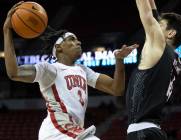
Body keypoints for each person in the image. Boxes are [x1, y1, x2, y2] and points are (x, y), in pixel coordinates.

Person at [3, 2, 139, 140]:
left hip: (71, 131)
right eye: (72, 39)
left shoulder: (83, 70)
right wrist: (7, 31)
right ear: (59, 47)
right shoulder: (50, 69)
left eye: (78, 40)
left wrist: (119, 60)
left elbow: (117, 89)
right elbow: (14, 73)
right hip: (57, 130)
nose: (78, 42)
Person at [126, 0, 181, 140]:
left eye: (159, 25)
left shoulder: (158, 45)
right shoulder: (175, 61)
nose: (155, 26)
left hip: (142, 132)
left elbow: (147, 14)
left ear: (171, 33)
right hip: (154, 131)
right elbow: (154, 15)